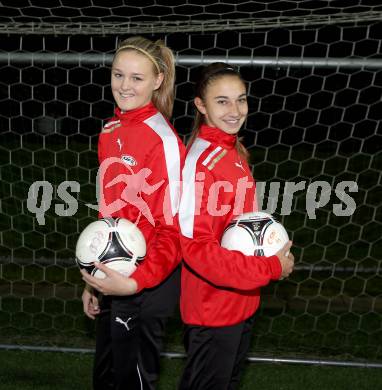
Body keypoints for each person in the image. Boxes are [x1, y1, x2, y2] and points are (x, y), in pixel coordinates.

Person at [177, 62, 295, 390]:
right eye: (222, 101)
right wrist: (270, 267)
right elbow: (197, 249)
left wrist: (269, 250)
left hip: (241, 300)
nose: (235, 110)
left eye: (241, 99)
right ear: (201, 105)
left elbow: (241, 226)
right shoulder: (202, 162)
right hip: (213, 307)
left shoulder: (232, 150)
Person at [80, 36, 185, 390]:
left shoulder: (165, 141)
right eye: (118, 75)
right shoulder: (110, 131)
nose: (124, 86)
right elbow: (109, 214)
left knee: (134, 381)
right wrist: (93, 275)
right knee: (105, 378)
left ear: (158, 81)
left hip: (149, 279)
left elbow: (174, 230)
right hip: (114, 273)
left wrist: (135, 282)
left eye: (136, 78)